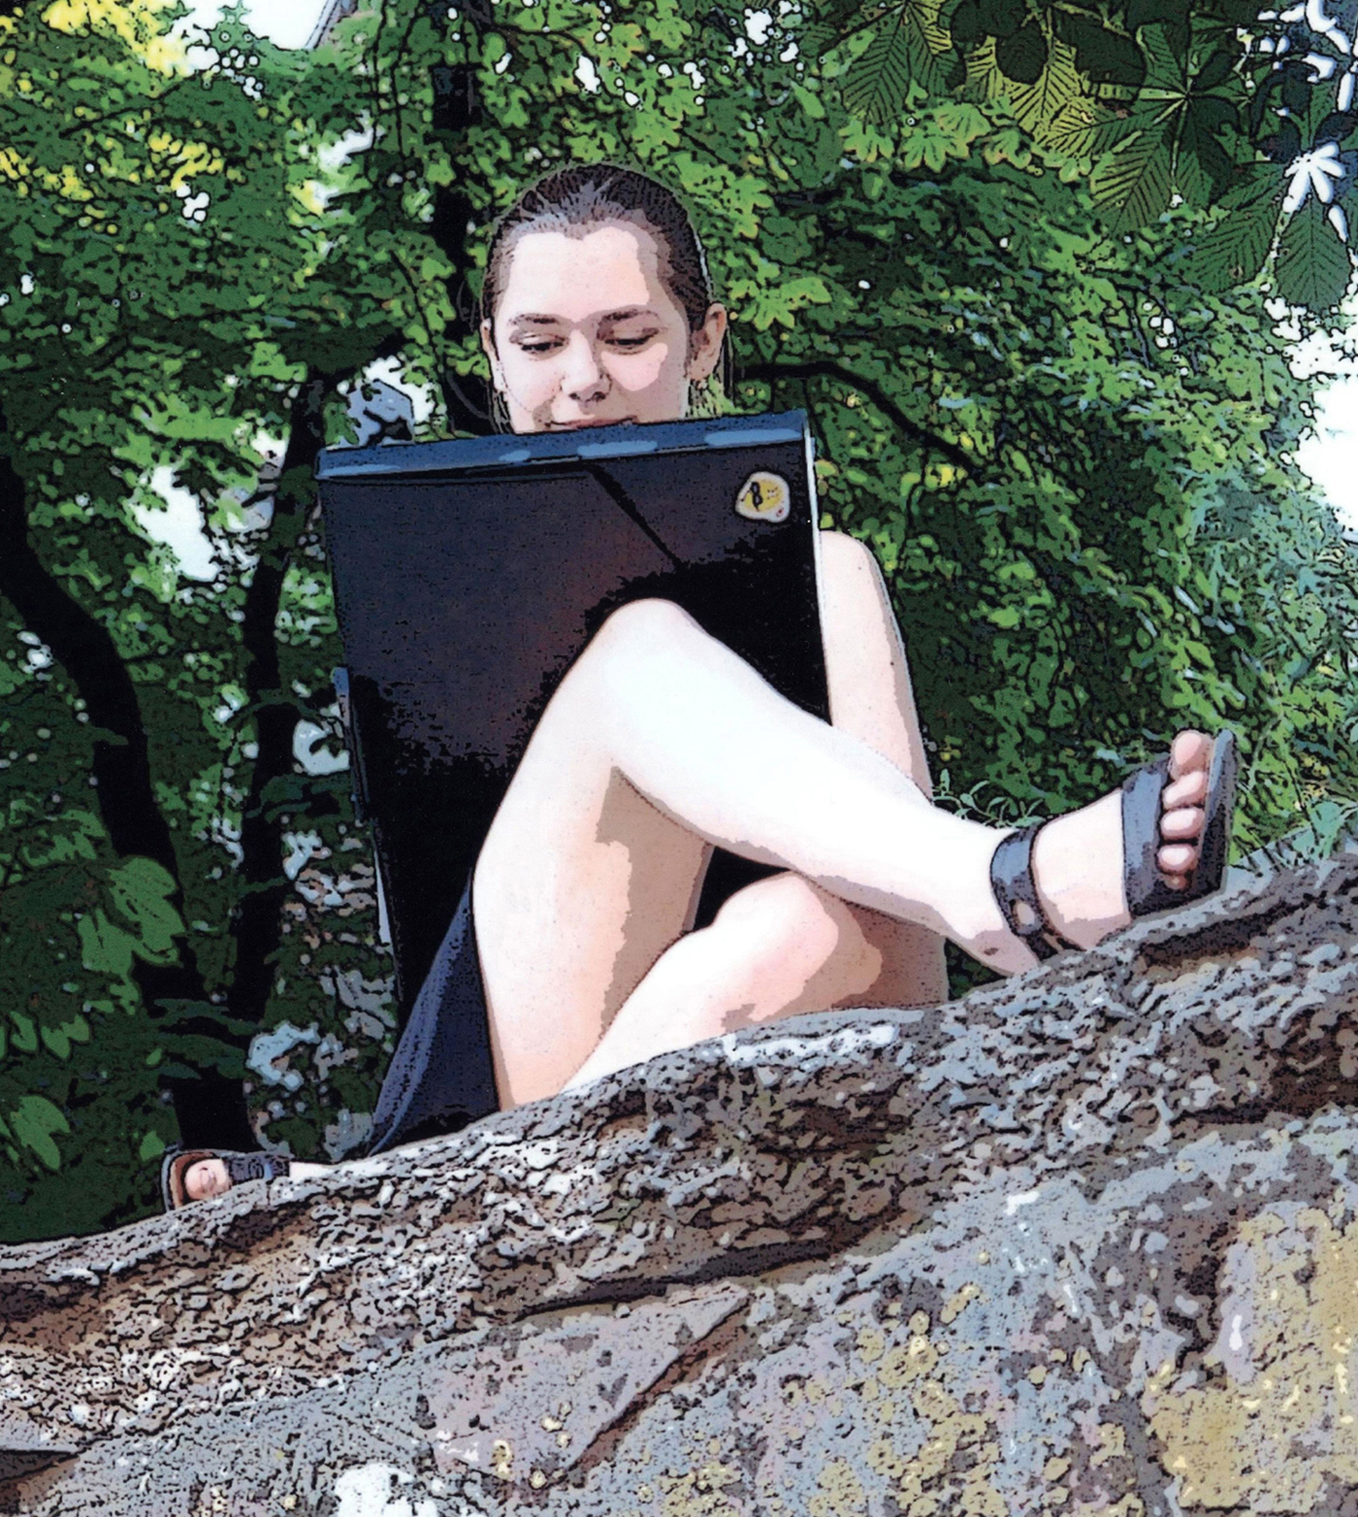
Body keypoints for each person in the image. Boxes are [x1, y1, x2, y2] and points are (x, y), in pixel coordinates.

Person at [165, 164, 1228, 1207]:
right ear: (491, 352)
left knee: (811, 906)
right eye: (539, 343)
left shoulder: (829, 578)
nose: (582, 378)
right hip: (524, 1036)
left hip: (771, 1021)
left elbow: (900, 966)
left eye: (627, 336)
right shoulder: (438, 579)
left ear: (704, 341)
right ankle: (1013, 886)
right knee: (638, 650)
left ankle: (452, 1195)